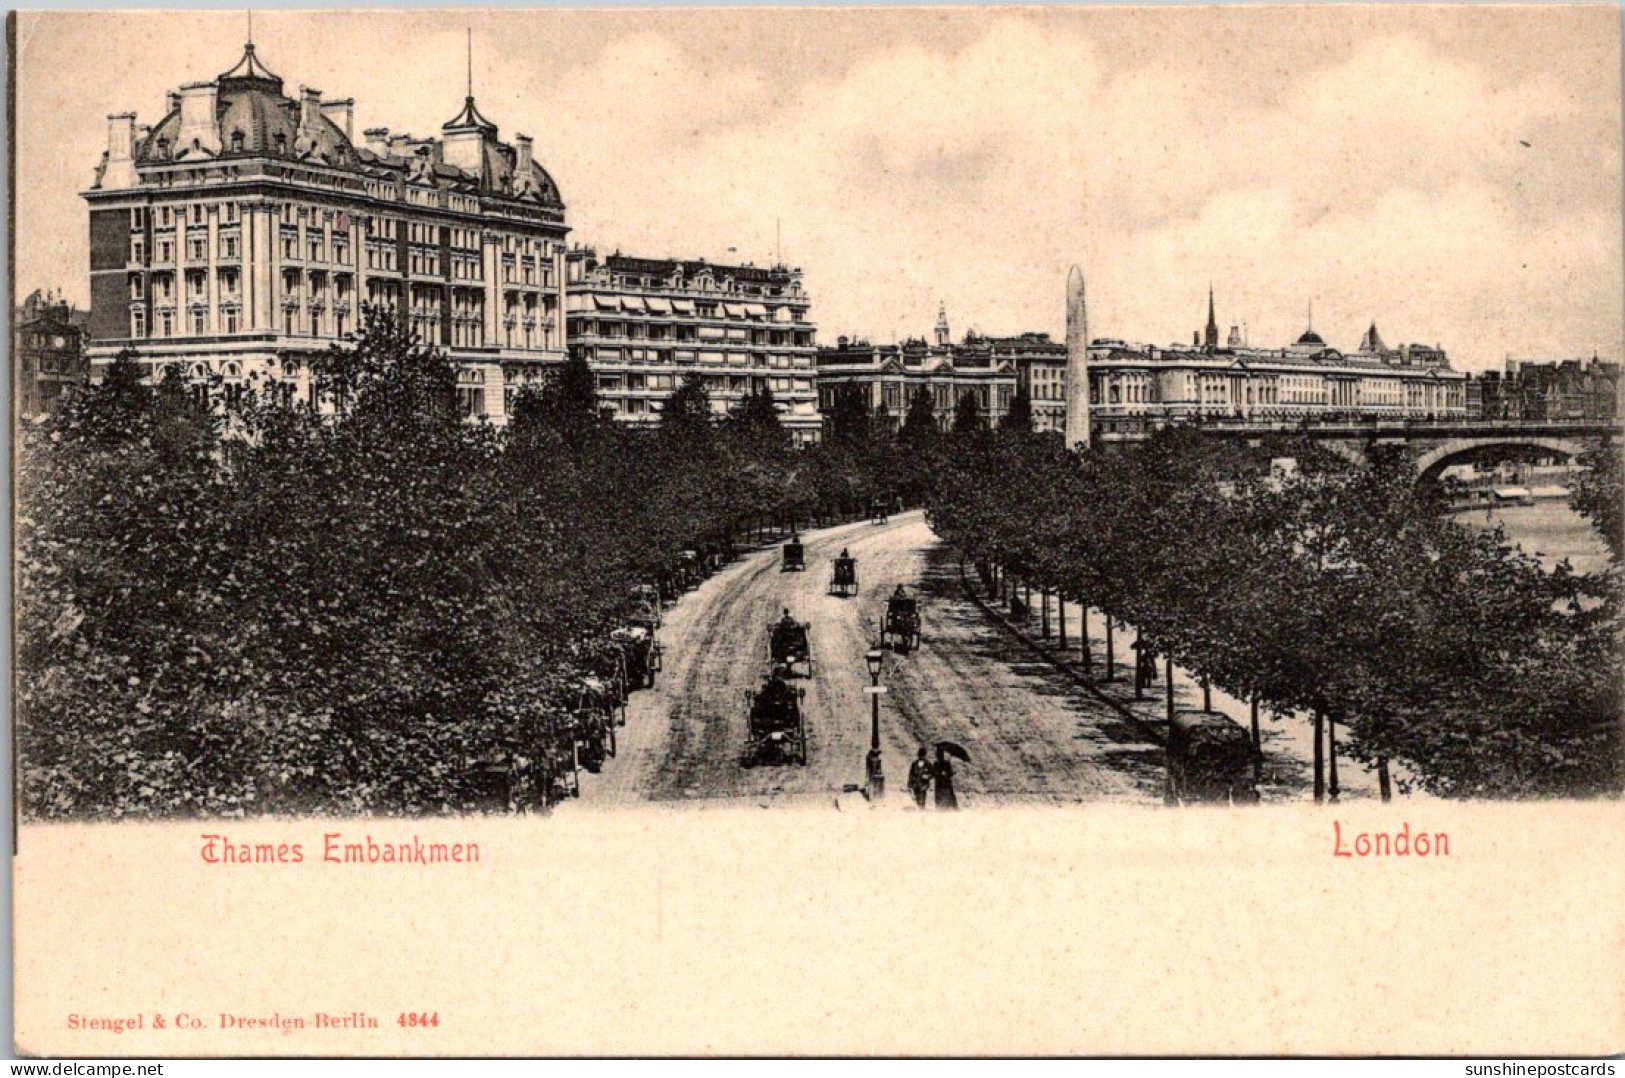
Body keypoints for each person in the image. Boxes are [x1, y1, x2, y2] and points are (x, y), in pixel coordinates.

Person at [933, 746, 959, 810]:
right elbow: (933, 773)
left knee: (948, 797)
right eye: (938, 754)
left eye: (940, 754)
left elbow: (950, 773)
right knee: (940, 797)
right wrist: (940, 773)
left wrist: (948, 773)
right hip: (939, 783)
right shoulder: (936, 764)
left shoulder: (947, 763)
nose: (939, 756)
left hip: (946, 783)